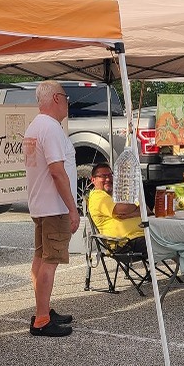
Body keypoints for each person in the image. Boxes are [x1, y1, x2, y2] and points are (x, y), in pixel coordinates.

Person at [24, 80, 79, 337]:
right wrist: (73, 208)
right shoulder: (51, 128)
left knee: (40, 260)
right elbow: (58, 172)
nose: (68, 102)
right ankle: (42, 319)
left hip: (40, 204)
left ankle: (41, 310)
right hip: (54, 206)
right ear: (56, 98)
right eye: (66, 97)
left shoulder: (35, 126)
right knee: (50, 262)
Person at [87, 163, 146, 257]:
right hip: (124, 243)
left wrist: (128, 214)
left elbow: (147, 211)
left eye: (110, 175)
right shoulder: (98, 196)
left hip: (143, 235)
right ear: (93, 180)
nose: (108, 179)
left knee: (174, 237)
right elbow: (121, 209)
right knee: (171, 243)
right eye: (103, 176)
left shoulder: (118, 195)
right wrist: (136, 209)